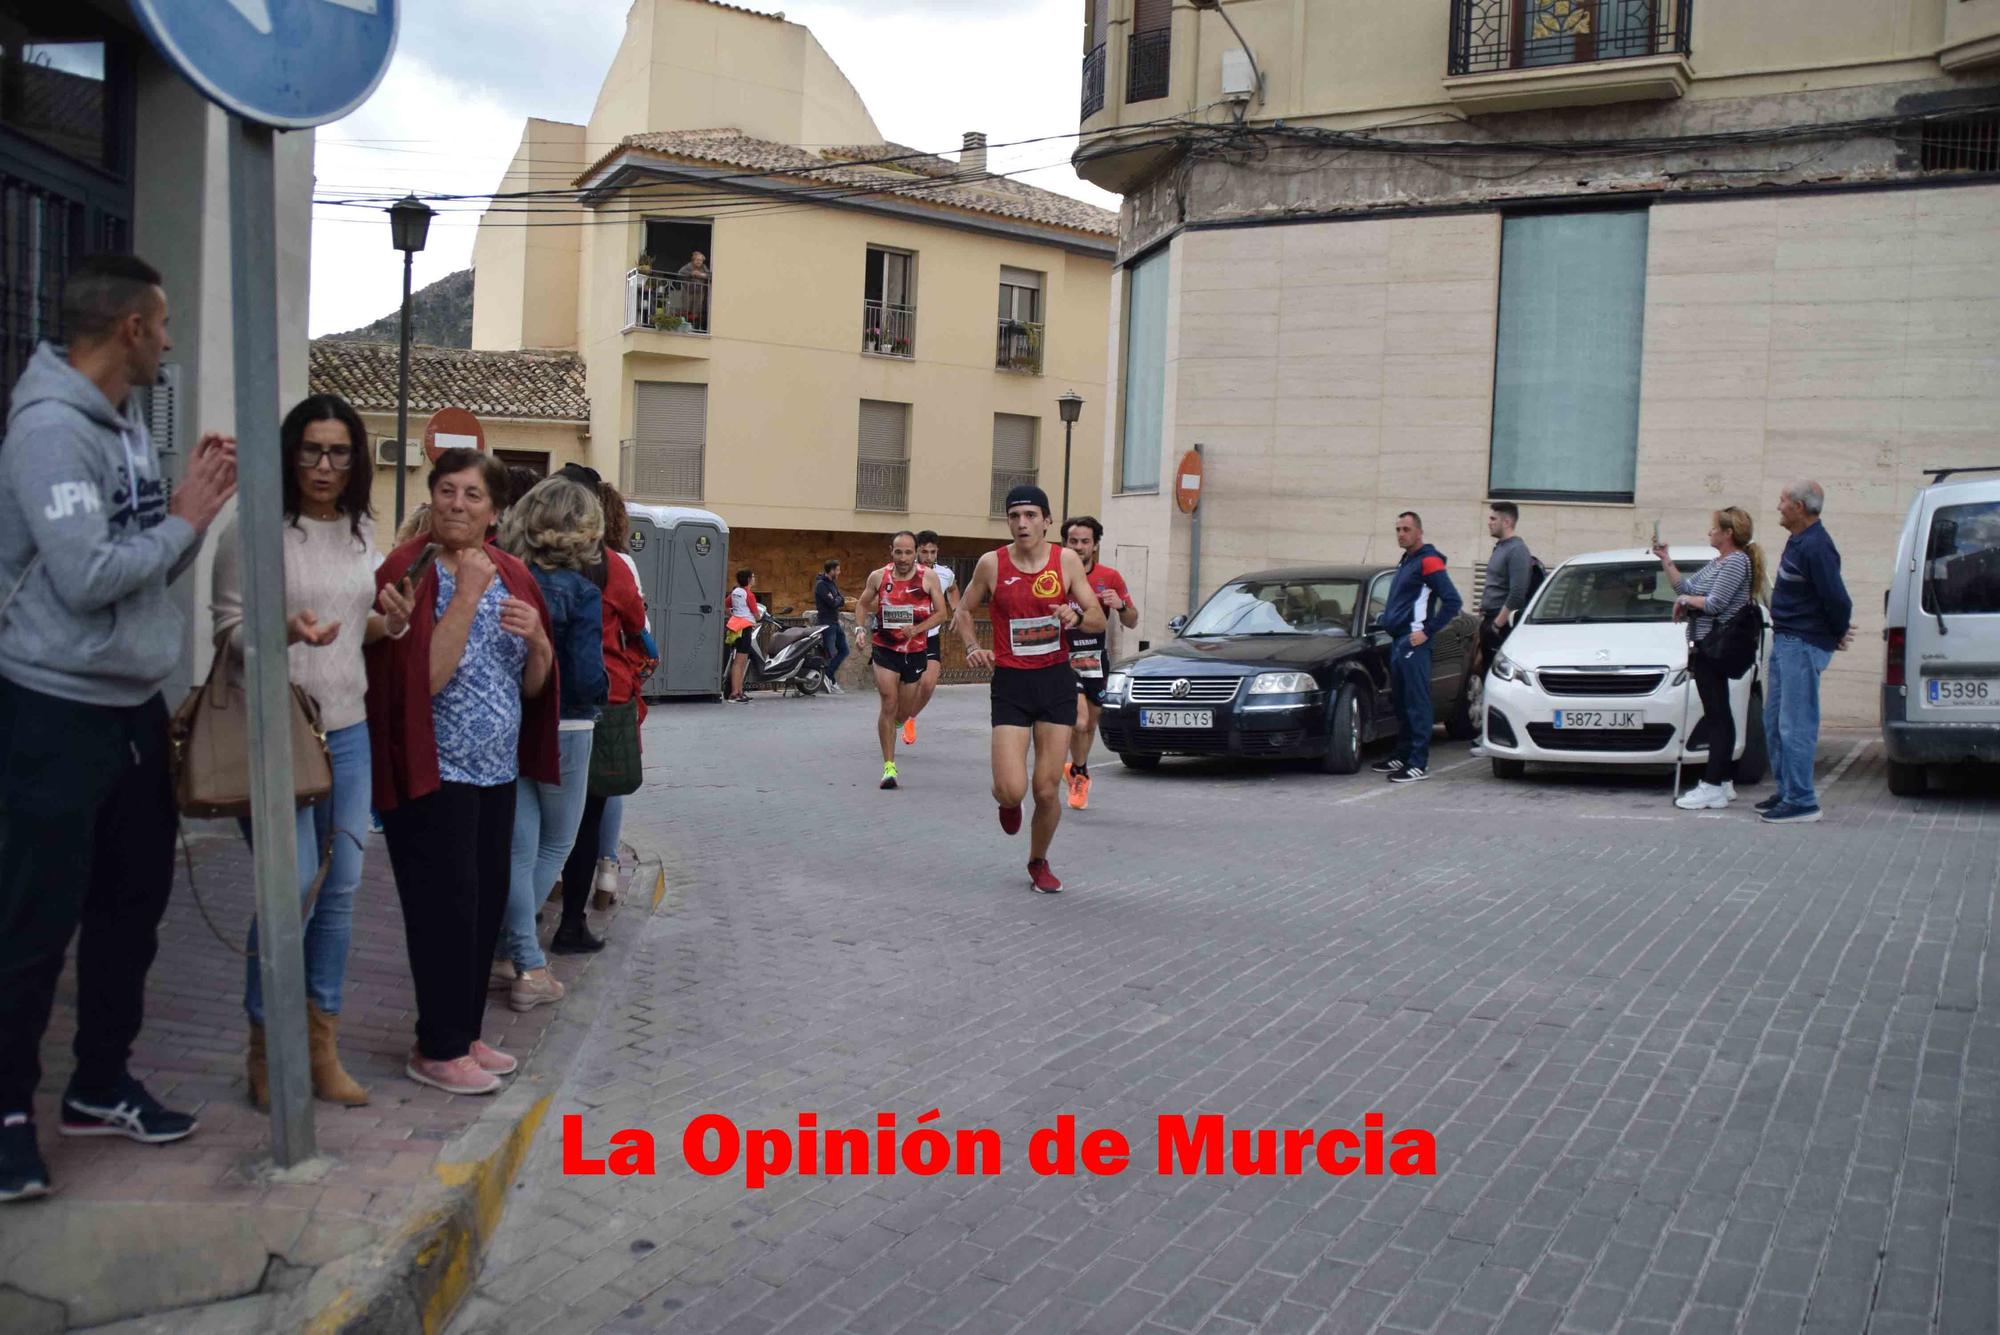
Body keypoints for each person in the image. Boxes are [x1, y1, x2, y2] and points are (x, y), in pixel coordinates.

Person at [0, 254, 236, 1203]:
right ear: (131, 329)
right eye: (164, 322)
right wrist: (184, 520)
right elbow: (87, 575)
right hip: (54, 708)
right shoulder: (50, 431)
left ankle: (99, 1085)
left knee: (132, 905)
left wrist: (191, 516)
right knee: (33, 919)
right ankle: (9, 1113)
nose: (172, 339)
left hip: (131, 708)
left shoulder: (131, 424)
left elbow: (144, 571)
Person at [215, 393, 410, 1111]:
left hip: (347, 729)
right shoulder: (255, 531)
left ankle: (322, 1046)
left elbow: (354, 629)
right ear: (288, 453)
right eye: (311, 449)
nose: (324, 464)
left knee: (341, 891)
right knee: (293, 879)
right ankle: (267, 1046)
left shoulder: (363, 532)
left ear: (355, 460)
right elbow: (227, 633)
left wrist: (388, 624)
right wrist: (284, 631)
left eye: (338, 452)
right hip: (273, 731)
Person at [365, 449, 559, 1096]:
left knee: (481, 905)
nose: (457, 503)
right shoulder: (409, 569)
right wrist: (467, 595)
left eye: (473, 494)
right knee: (443, 908)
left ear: (495, 510)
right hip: (433, 771)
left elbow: (534, 687)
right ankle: (437, 1046)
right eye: (446, 490)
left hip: (496, 772)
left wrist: (538, 644)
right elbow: (420, 681)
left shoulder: (511, 572)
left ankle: (465, 1031)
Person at [953, 486, 1106, 892]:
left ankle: (1038, 861)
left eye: (1031, 515)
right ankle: (1007, 802)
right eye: (1015, 515)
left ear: (1047, 521)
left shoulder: (1067, 560)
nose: (1023, 523)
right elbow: (964, 610)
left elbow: (1097, 617)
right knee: (1011, 788)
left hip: (1055, 680)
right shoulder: (992, 564)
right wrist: (971, 646)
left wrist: (1073, 616)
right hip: (1012, 684)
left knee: (1045, 788)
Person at [495, 477, 608, 1009]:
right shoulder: (583, 592)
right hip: (568, 727)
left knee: (518, 849)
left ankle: (507, 953)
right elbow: (585, 677)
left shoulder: (511, 580)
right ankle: (524, 960)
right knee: (556, 844)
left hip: (512, 722)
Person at [1655, 509, 1764, 812]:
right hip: (1704, 644)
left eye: (1714, 528)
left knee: (1717, 715)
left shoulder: (1736, 562)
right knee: (1719, 712)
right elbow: (1686, 588)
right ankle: (1724, 780)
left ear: (1728, 533)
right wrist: (1666, 559)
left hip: (1716, 645)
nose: (1710, 533)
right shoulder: (1718, 562)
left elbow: (1714, 604)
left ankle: (1712, 785)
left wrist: (1685, 603)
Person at [1760, 481, 1854, 824]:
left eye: (1783, 500)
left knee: (1795, 725)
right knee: (1773, 722)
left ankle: (1802, 801)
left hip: (1800, 645)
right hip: (1786, 641)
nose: (1778, 505)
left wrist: (1833, 634)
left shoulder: (1817, 547)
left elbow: (1838, 600)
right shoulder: (1797, 540)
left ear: (1799, 507)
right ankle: (1786, 791)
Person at [591, 484, 652, 906]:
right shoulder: (621, 562)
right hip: (611, 683)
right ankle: (607, 869)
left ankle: (558, 869)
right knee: (609, 780)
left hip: (560, 684)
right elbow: (639, 626)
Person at [1369, 511, 1462, 785]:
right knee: (1401, 702)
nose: (1401, 534)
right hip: (1399, 642)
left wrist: (1427, 631)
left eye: (1406, 529)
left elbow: (1452, 601)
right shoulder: (1407, 561)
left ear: (1419, 532)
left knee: (1416, 703)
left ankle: (1418, 763)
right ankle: (1402, 754)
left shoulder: (1429, 561)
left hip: (1413, 643)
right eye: (1397, 529)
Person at [856, 532, 948, 790]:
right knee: (888, 701)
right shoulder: (879, 576)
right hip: (886, 647)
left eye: (908, 552)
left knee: (904, 710)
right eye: (899, 552)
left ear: (916, 552)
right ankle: (889, 767)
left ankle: (899, 723)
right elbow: (862, 605)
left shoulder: (927, 577)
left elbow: (942, 613)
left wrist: (917, 630)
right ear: (891, 552)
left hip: (916, 649)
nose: (903, 558)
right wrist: (860, 630)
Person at [1060, 516, 1137, 811]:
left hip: (1094, 658)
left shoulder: (1110, 577)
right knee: (1079, 720)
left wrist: (1122, 605)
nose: (1079, 547)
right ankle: (1075, 770)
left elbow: (1132, 621)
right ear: (1064, 542)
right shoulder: (1054, 574)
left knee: (1090, 723)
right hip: (1062, 656)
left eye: (1085, 542)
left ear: (1095, 545)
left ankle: (1078, 770)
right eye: (1073, 541)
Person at [903, 531, 958, 744]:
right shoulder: (904, 571)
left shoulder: (945, 574)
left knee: (928, 684)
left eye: (932, 552)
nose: (928, 556)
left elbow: (953, 589)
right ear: (916, 550)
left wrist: (956, 608)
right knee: (905, 686)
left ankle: (910, 719)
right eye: (924, 551)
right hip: (905, 636)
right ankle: (898, 715)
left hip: (930, 635)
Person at [1478, 502, 1531, 670]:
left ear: (1506, 522)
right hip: (1489, 620)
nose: (1489, 522)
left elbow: (1517, 593)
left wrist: (1496, 626)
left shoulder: (1517, 550)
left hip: (1501, 625)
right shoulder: (1500, 547)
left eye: (1493, 518)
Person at [813, 559, 849, 694]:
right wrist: (838, 600)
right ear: (832, 570)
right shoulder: (821, 585)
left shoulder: (832, 584)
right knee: (830, 653)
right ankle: (829, 680)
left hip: (835, 622)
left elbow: (841, 599)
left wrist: (838, 600)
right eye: (838, 570)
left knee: (844, 650)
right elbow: (834, 603)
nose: (839, 573)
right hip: (826, 623)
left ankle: (827, 676)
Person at [725, 568, 759, 703]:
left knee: (738, 661)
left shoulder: (735, 592)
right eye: (753, 576)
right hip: (745, 628)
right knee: (740, 662)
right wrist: (757, 617)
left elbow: (726, 604)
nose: (755, 578)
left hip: (735, 627)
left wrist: (733, 615)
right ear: (749, 579)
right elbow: (756, 614)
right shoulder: (749, 595)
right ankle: (735, 693)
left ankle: (739, 691)